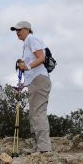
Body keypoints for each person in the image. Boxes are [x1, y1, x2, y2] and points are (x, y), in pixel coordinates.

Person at [11, 20, 52, 153]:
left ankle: (44, 149)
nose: (17, 32)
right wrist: (23, 84)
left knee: (38, 113)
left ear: (27, 30)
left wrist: (26, 66)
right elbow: (31, 68)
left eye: (19, 30)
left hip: (39, 80)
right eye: (16, 30)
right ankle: (37, 148)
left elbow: (41, 58)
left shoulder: (32, 39)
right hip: (34, 81)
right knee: (34, 114)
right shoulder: (26, 44)